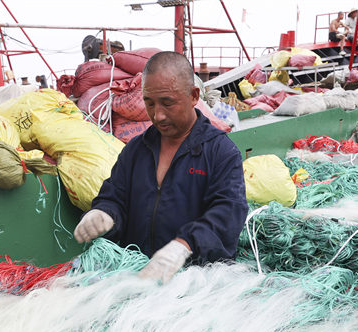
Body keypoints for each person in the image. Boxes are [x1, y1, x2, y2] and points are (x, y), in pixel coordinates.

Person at [74, 51, 248, 283]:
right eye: (149, 103)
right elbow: (115, 195)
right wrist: (104, 213)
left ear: (194, 95)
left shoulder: (220, 152)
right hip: (140, 278)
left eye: (168, 103)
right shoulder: (136, 150)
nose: (158, 115)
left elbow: (227, 215)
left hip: (198, 284)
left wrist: (184, 246)